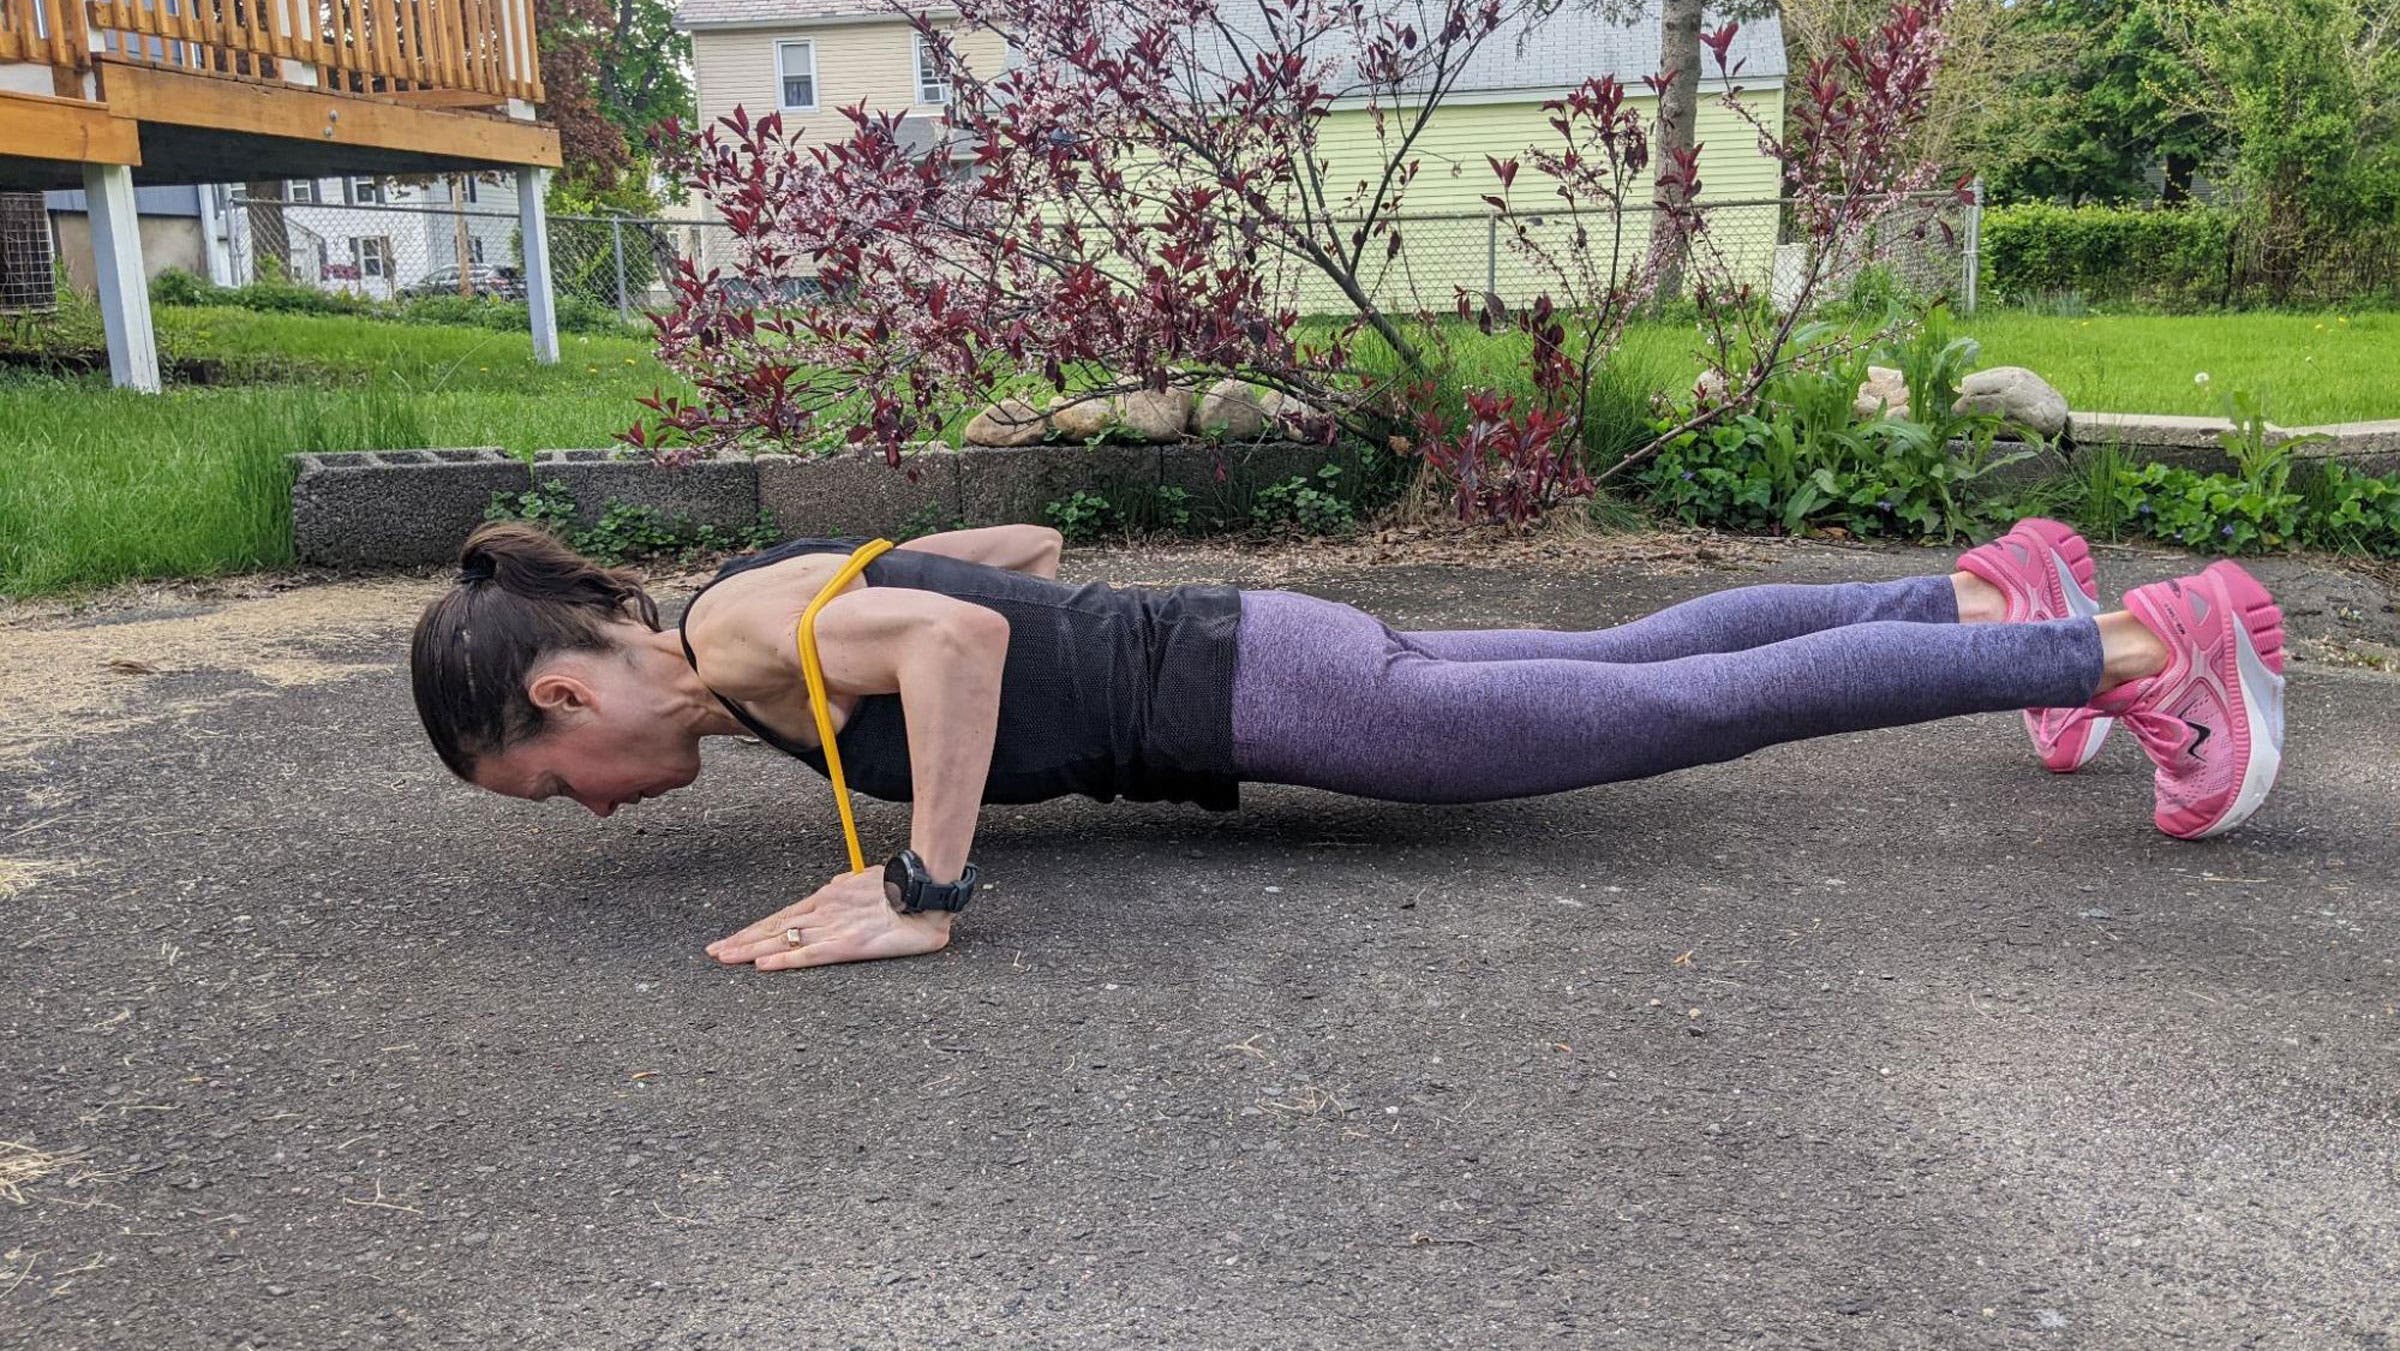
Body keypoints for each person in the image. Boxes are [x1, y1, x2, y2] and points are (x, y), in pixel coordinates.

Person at [409, 516, 2286, 972]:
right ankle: (1989, 601)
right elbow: (1018, 566)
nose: (578, 811)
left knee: (1668, 710)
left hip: (1265, 693)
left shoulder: (742, 636)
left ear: (563, 699)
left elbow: (968, 631)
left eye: (543, 788)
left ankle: (2142, 644)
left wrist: (923, 879)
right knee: (1628, 654)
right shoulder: (752, 629)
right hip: (1255, 652)